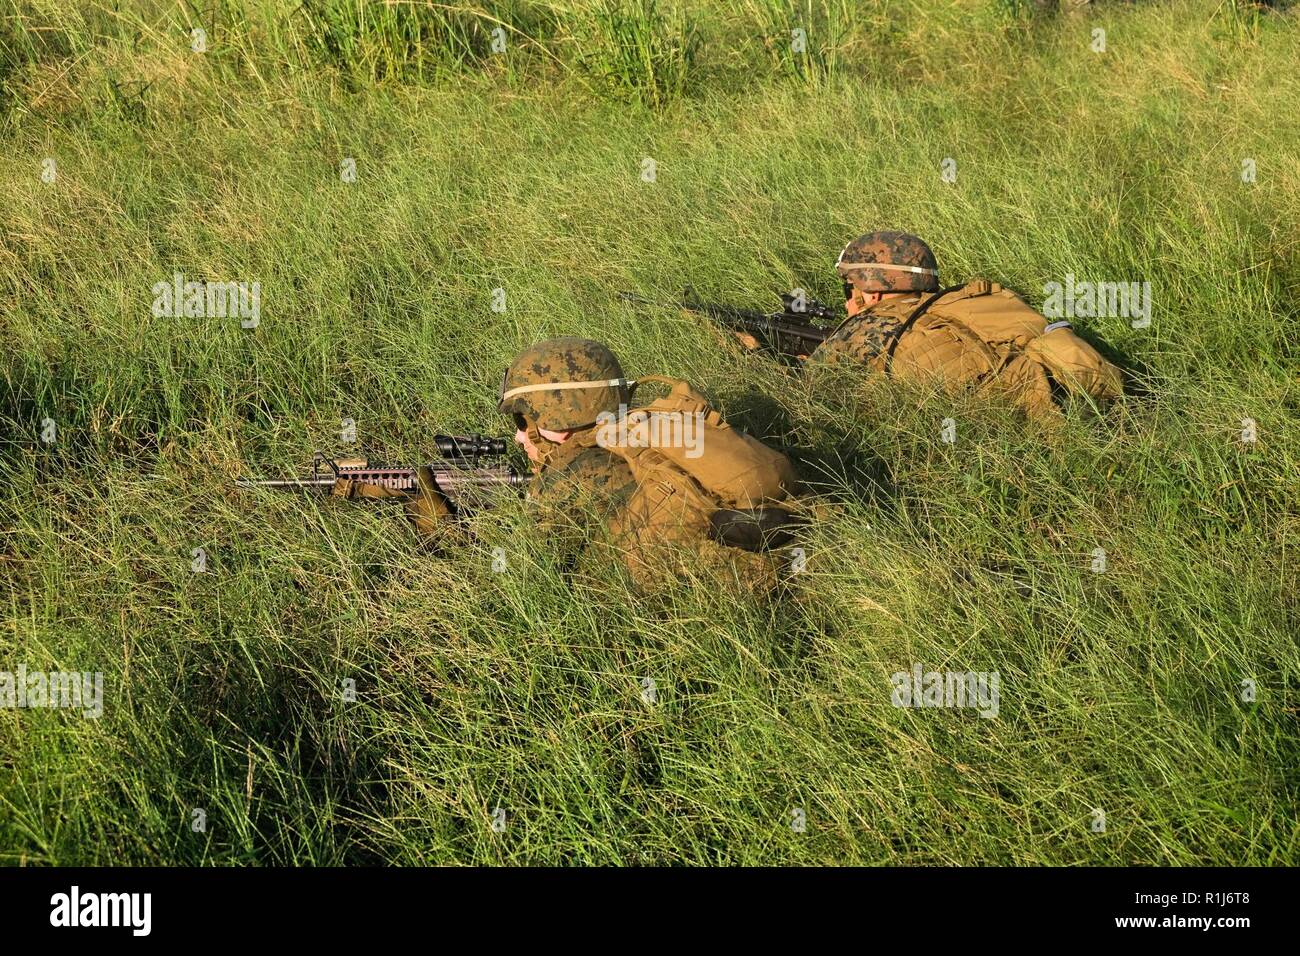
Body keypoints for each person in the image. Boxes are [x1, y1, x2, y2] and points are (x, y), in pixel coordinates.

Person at [805, 231, 1125, 418]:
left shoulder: (861, 330)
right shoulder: (977, 299)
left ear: (871, 292)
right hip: (1089, 403)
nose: (847, 302)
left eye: (849, 290)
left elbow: (812, 393)